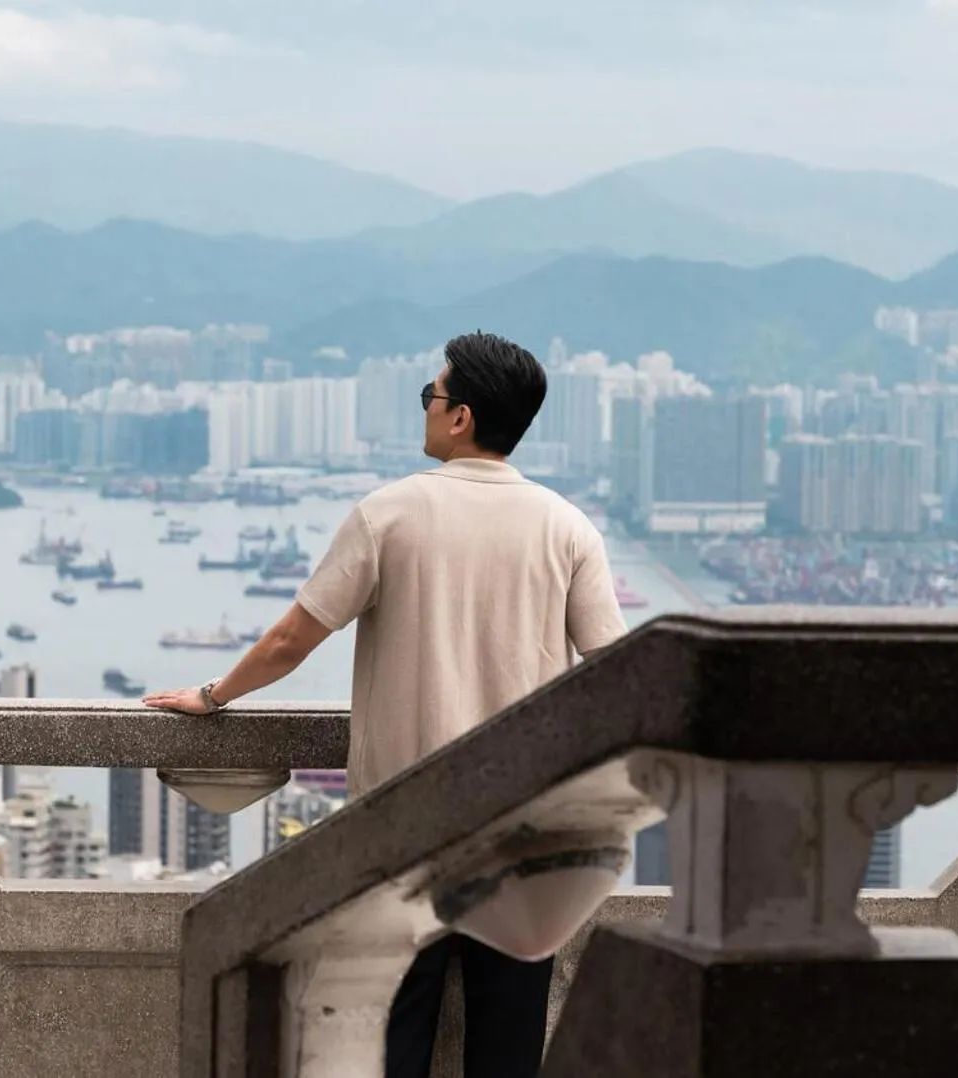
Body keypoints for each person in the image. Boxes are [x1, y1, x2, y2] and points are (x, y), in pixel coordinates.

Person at [143, 330, 628, 1077]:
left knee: (389, 1047)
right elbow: (613, 676)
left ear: (460, 416)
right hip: (523, 835)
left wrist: (213, 695)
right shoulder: (566, 527)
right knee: (507, 1052)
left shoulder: (389, 514)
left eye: (431, 395)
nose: (427, 409)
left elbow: (290, 639)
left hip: (399, 832)